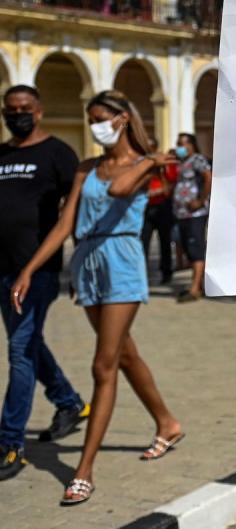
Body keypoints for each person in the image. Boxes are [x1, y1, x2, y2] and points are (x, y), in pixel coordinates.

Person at [10, 90, 183, 505]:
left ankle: (84, 471)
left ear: (122, 119)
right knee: (123, 354)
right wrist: (29, 270)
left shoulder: (144, 164)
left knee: (102, 365)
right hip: (87, 261)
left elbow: (122, 190)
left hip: (122, 260)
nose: (94, 127)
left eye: (101, 118)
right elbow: (64, 224)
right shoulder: (86, 169)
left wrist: (144, 162)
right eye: (90, 120)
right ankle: (167, 422)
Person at [0, 86, 89, 481]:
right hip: (1, 270)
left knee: (19, 351)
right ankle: (68, 401)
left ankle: (10, 442)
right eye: (10, 109)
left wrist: (80, 267)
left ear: (38, 112)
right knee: (30, 343)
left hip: (37, 271)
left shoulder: (58, 154)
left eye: (24, 109)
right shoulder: (1, 154)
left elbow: (77, 213)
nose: (17, 115)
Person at [171, 133, 212, 302]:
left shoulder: (198, 160)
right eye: (178, 144)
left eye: (184, 144)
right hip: (181, 213)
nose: (181, 147)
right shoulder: (181, 163)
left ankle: (194, 289)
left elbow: (209, 178)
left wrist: (201, 200)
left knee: (196, 248)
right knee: (187, 247)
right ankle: (199, 284)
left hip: (196, 212)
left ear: (192, 145)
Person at [140, 137, 176, 283]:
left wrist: (160, 190)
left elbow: (172, 183)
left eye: (150, 149)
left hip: (163, 207)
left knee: (165, 241)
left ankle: (166, 272)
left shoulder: (166, 163)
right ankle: (141, 273)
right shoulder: (141, 163)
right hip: (146, 207)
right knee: (143, 242)